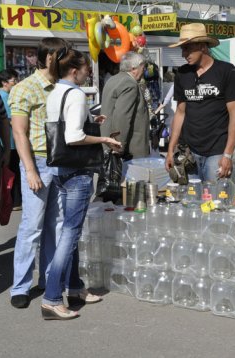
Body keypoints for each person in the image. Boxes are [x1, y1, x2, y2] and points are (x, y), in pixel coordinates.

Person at [42, 48, 121, 320]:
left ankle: (74, 287)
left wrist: (91, 120)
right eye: (87, 68)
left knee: (69, 231)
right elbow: (74, 137)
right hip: (77, 171)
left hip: (62, 169)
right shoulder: (75, 94)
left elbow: (63, 128)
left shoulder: (56, 92)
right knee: (71, 234)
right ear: (74, 70)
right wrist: (104, 139)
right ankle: (52, 298)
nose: (89, 72)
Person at [9, 37, 69, 309]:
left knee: (55, 227)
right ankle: (20, 287)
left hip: (62, 162)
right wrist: (30, 170)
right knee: (32, 227)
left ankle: (49, 279)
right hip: (39, 162)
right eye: (64, 56)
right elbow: (19, 133)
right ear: (50, 57)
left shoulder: (61, 86)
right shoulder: (25, 88)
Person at [165, 23, 235, 182]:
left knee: (215, 204)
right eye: (182, 49)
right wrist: (170, 149)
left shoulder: (226, 71)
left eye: (187, 48)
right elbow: (180, 113)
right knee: (192, 204)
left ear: (202, 46)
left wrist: (228, 154)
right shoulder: (182, 73)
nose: (183, 54)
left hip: (217, 152)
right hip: (188, 153)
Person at [100, 51, 150, 160]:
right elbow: (122, 117)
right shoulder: (130, 84)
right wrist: (118, 146)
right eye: (143, 67)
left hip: (111, 142)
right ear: (133, 68)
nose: (144, 70)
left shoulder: (112, 79)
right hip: (130, 148)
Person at [0, 69, 21, 210]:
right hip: (10, 143)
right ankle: (14, 202)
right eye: (14, 80)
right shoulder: (4, 96)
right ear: (4, 82)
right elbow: (8, 120)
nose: (16, 83)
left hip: (7, 143)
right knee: (13, 173)